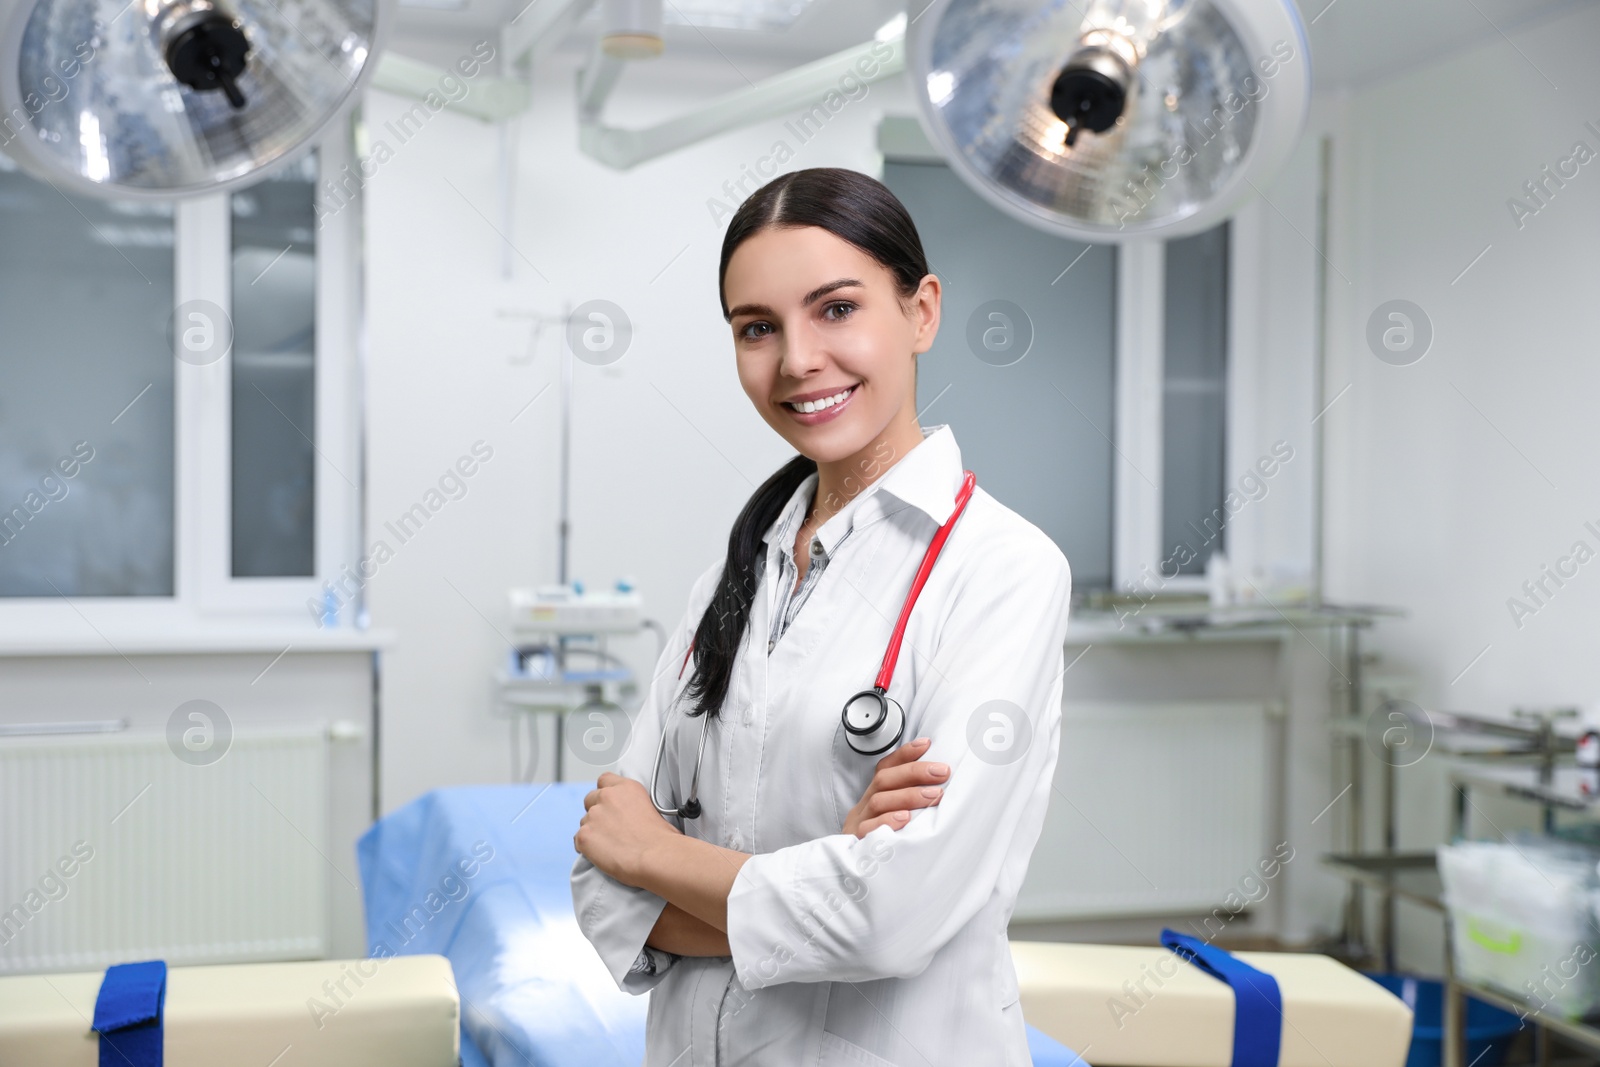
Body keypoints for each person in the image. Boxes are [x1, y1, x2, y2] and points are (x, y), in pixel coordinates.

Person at [571, 166, 1072, 1066]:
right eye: (757, 328)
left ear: (920, 312)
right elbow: (602, 888)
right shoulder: (729, 581)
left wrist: (662, 857)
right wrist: (814, 875)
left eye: (835, 308)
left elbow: (893, 915)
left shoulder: (1005, 570)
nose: (797, 359)